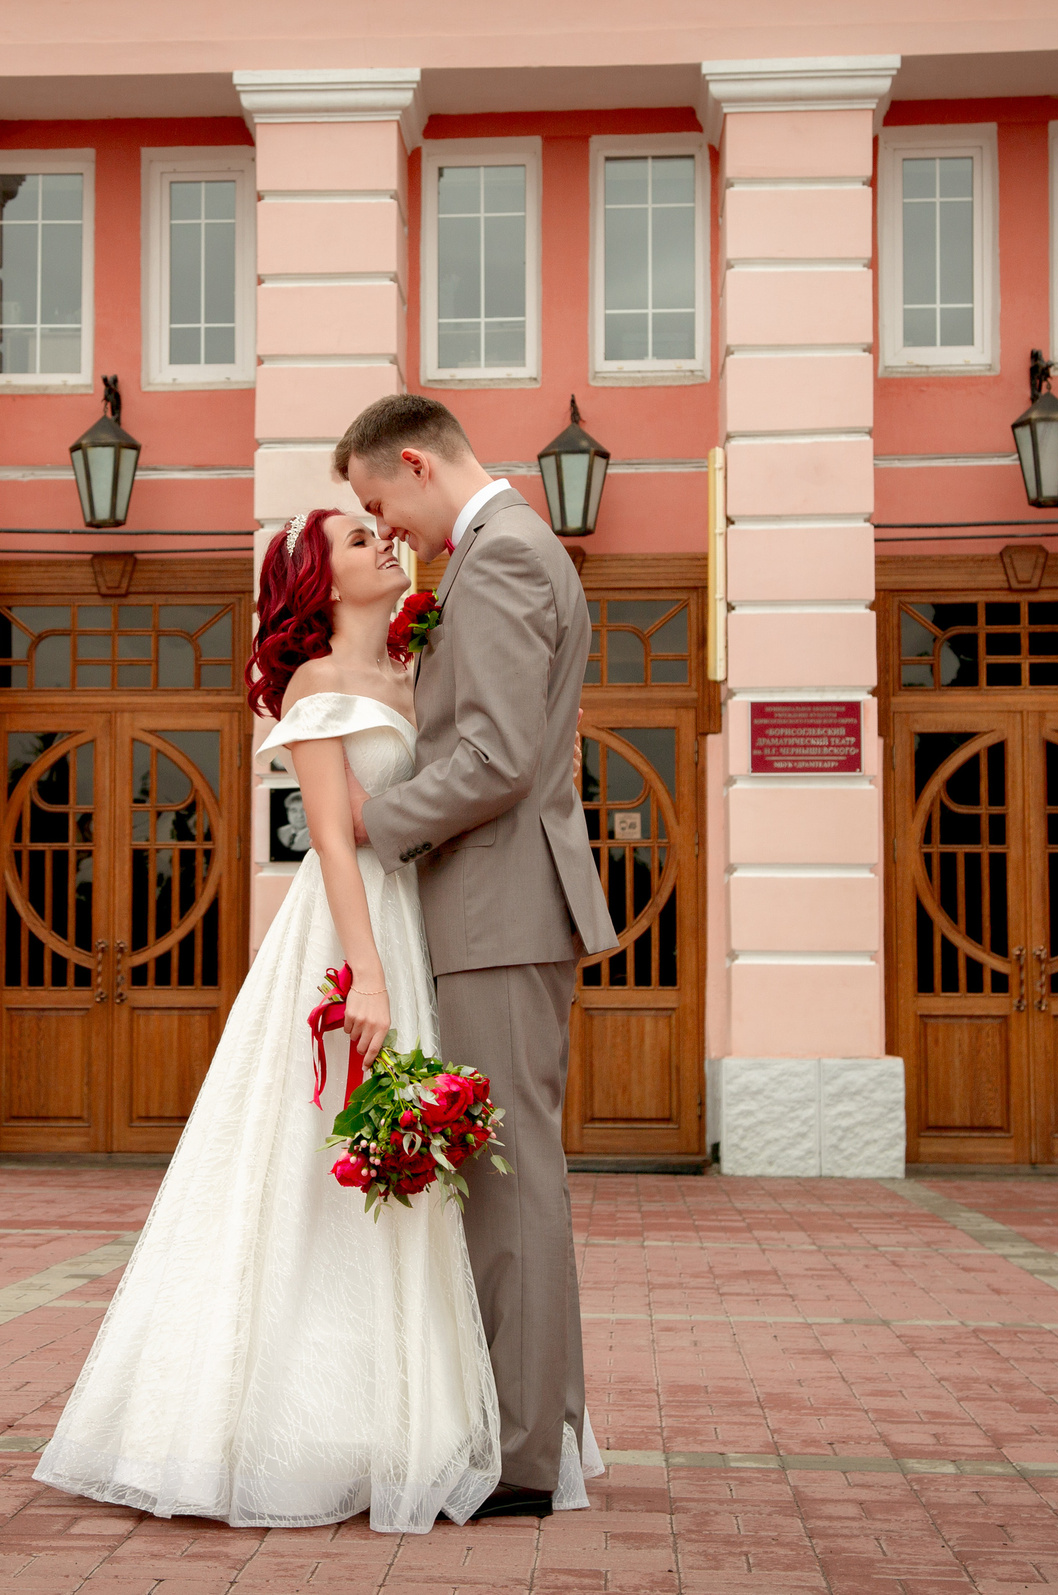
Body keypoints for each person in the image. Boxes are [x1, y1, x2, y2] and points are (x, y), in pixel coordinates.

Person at [31, 509, 507, 1533]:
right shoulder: (318, 688)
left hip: (419, 926)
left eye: (383, 530)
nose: (382, 543)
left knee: (401, 1167)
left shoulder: (416, 673)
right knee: (309, 1164)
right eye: (353, 541)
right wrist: (367, 982)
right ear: (317, 584)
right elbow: (333, 843)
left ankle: (403, 1423)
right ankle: (273, 1425)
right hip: (349, 937)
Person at [337, 393, 620, 1521]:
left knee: (509, 1185)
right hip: (496, 904)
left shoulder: (499, 557)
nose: (384, 529)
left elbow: (497, 755)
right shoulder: (501, 552)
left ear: (414, 463)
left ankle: (522, 1460)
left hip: (499, 905)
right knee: (511, 1181)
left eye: (376, 504)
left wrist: (373, 818)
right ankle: (539, 1434)